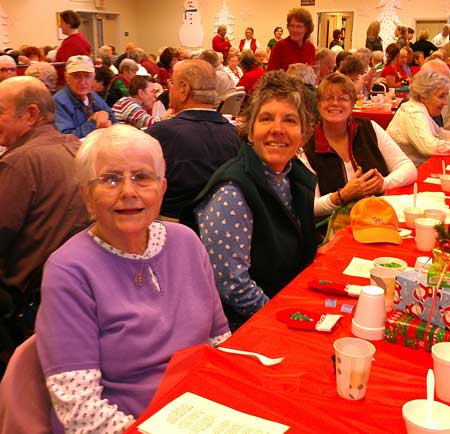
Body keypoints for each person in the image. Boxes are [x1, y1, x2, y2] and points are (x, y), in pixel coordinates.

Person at [35, 124, 230, 434]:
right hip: (130, 424)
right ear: (87, 196)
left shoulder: (186, 242)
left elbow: (219, 342)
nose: (128, 191)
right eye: (110, 179)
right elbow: (80, 411)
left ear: (162, 188)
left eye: (142, 177)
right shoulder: (69, 270)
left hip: (203, 414)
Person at [182, 70, 318, 329]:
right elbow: (232, 286)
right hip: (243, 327)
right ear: (250, 129)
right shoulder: (232, 192)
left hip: (283, 304)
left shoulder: (292, 176)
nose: (277, 130)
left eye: (289, 120)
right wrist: (284, 321)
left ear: (304, 133)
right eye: (266, 118)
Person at [0, 76, 89, 360]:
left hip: (27, 305)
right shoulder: (78, 148)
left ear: (31, 114)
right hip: (75, 296)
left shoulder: (19, 163)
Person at [301, 72, 416, 218]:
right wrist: (341, 196)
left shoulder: (369, 128)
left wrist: (383, 184)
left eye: (343, 98)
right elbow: (310, 206)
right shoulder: (307, 146)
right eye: (328, 98)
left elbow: (408, 168)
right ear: (318, 104)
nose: (335, 103)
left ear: (353, 104)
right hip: (335, 229)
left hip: (380, 216)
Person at [148, 59, 240, 219]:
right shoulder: (236, 135)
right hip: (224, 224)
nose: (169, 88)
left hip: (171, 229)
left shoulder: (160, 135)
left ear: (184, 89)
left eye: (172, 82)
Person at [387, 70, 450, 167]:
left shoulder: (419, 108)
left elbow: (440, 134)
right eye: (441, 96)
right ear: (423, 96)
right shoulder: (413, 112)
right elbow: (429, 147)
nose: (445, 102)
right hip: (403, 174)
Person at [54, 55, 117, 139]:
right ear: (67, 77)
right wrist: (94, 122)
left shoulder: (92, 95)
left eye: (87, 76)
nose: (83, 82)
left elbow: (113, 120)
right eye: (76, 76)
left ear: (93, 77)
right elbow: (66, 138)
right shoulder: (58, 102)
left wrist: (105, 115)